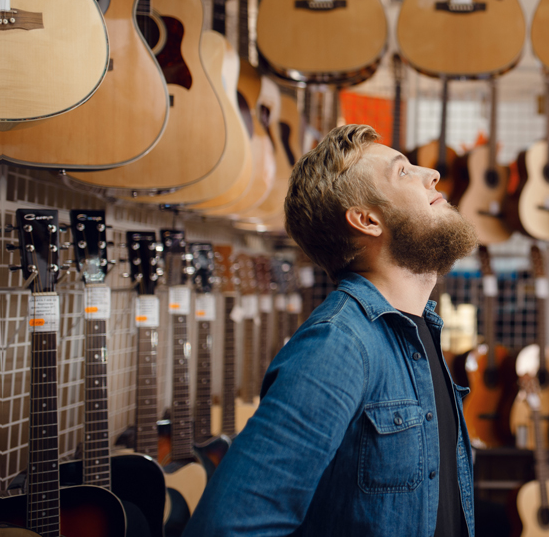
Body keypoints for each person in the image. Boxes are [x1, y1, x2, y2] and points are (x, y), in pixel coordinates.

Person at [182, 124, 479, 536]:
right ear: (367, 220)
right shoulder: (337, 345)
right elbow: (228, 527)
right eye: (403, 171)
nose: (432, 174)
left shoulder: (419, 329)